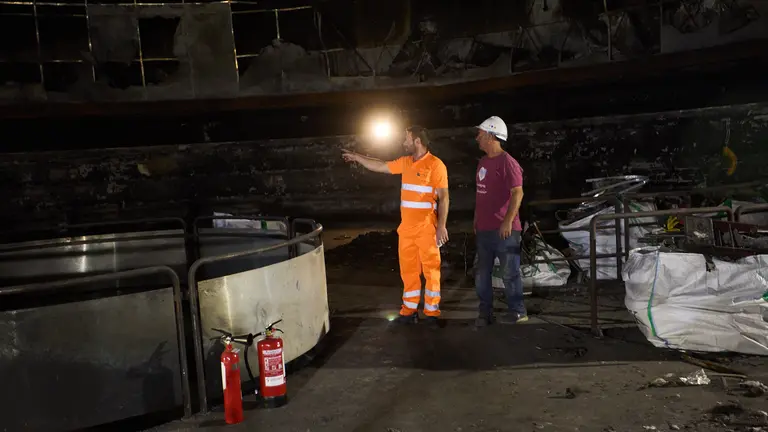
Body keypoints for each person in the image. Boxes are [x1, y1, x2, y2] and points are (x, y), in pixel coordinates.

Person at [342, 125, 449, 327]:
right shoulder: (406, 162)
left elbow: (444, 198)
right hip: (407, 230)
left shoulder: (436, 165)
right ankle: (409, 312)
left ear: (417, 141)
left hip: (427, 228)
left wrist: (441, 226)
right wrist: (357, 157)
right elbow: (381, 165)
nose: (403, 142)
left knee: (431, 272)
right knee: (408, 271)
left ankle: (432, 314)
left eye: (407, 139)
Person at [473, 116, 527, 327]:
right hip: (485, 229)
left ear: (490, 135)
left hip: (505, 231)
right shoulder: (483, 162)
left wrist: (507, 221)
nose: (477, 137)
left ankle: (517, 311)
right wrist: (476, 219)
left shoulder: (508, 162)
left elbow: (517, 193)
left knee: (509, 273)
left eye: (480, 133)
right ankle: (485, 313)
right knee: (481, 274)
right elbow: (481, 194)